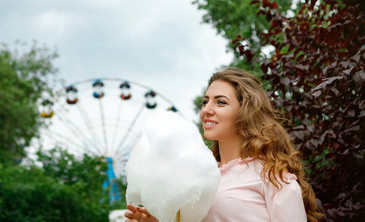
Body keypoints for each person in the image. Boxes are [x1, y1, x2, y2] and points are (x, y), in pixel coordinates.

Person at [124, 67, 323, 222]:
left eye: (220, 102)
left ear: (246, 111)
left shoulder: (274, 177)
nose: (206, 110)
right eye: (205, 102)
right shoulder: (196, 177)